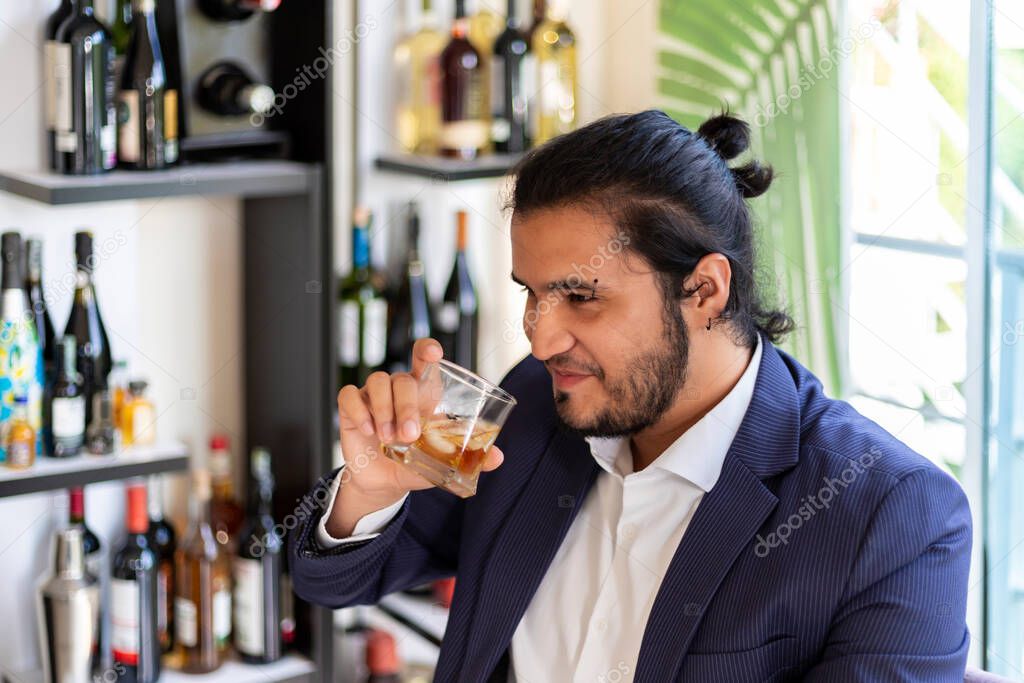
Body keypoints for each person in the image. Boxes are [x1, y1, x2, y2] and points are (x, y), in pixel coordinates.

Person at [290, 110, 971, 682]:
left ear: (704, 289)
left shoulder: (893, 515)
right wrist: (369, 496)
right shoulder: (537, 402)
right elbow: (330, 583)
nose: (540, 337)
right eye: (532, 292)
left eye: (580, 296)